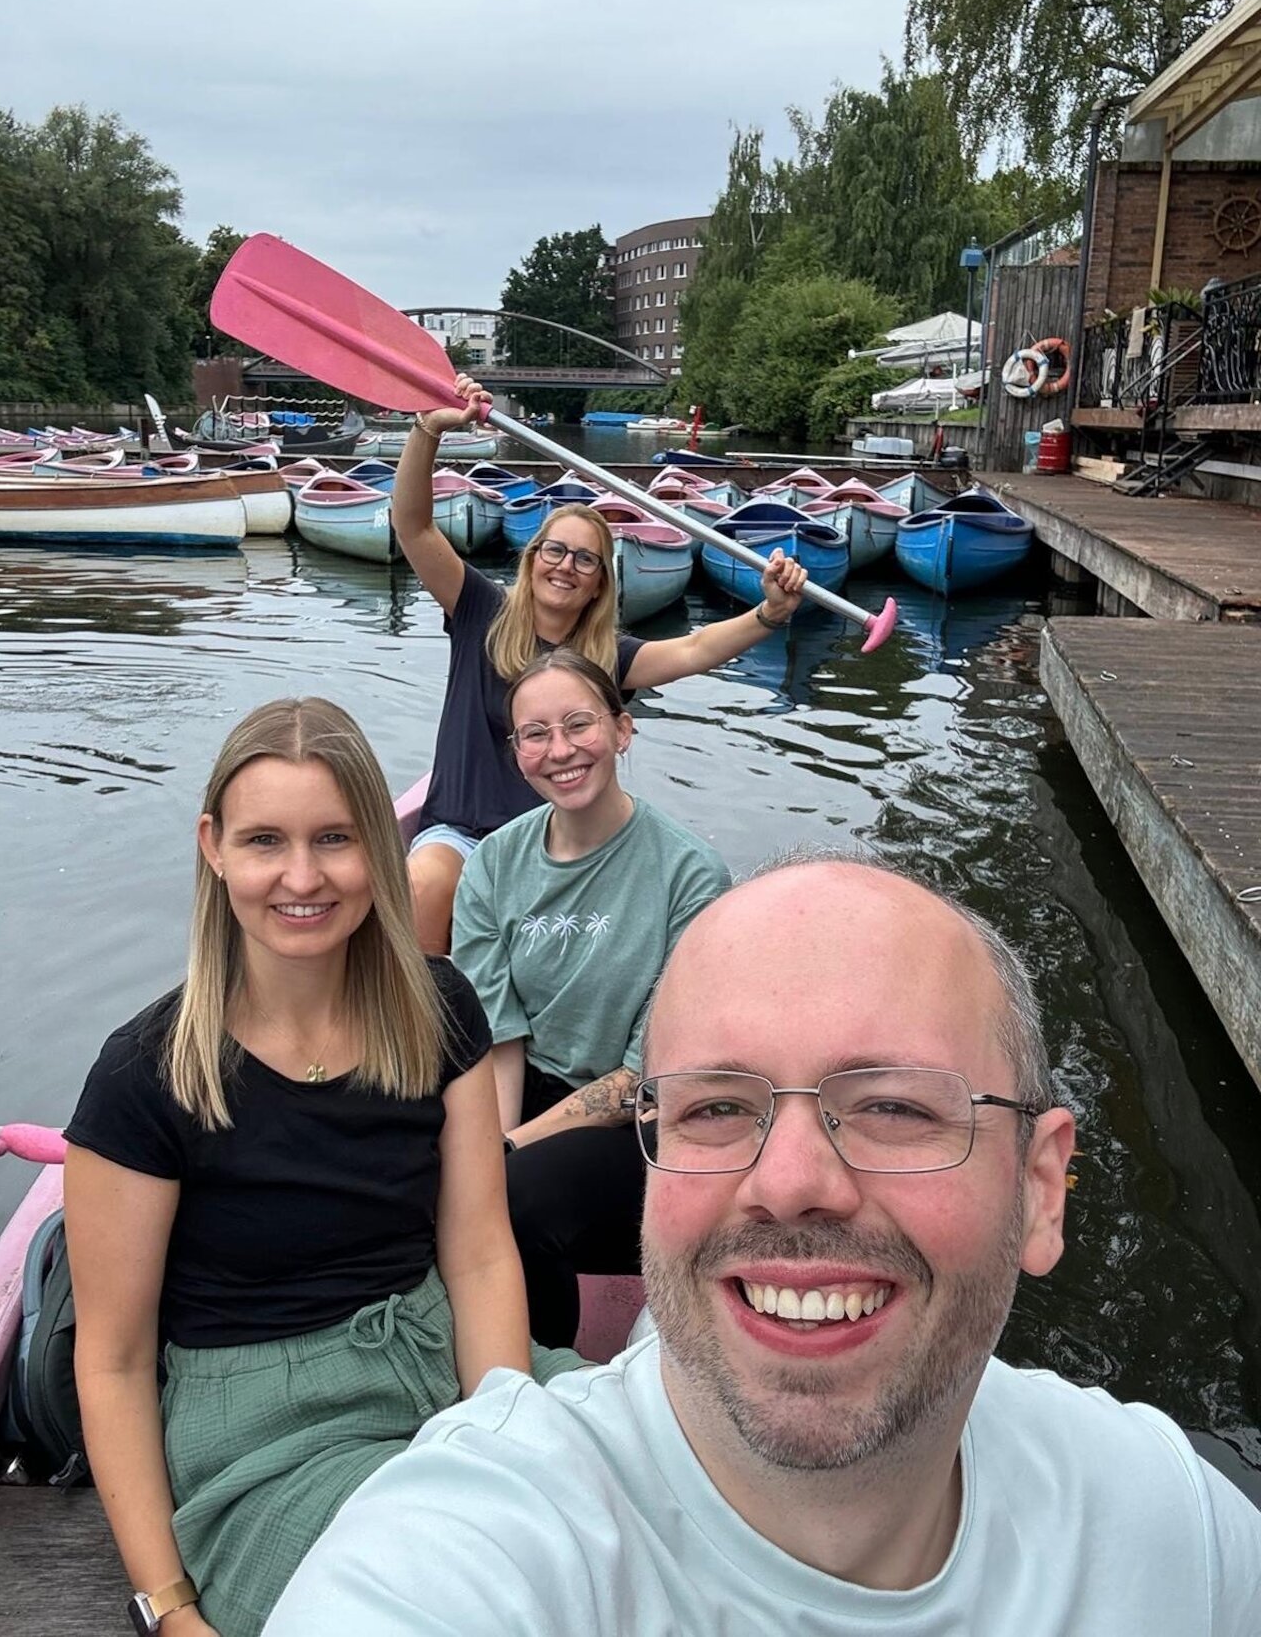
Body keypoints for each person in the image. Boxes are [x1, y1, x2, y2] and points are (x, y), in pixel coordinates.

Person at [265, 857, 1261, 1635]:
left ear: (1040, 1189)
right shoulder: (472, 1549)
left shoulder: (1174, 1525)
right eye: (716, 1107)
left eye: (891, 1105)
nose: (786, 1183)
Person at [63, 699, 575, 1637]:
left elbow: (477, 1257)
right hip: (264, 1432)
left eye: (334, 838)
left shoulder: (439, 1010)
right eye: (266, 841)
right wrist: (169, 1608)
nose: (302, 877)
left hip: (441, 1354)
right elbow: (116, 1361)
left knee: (648, 1488)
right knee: (458, 1596)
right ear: (213, 847)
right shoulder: (145, 1078)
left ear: (378, 846)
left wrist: (503, 1436)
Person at [393, 376, 807, 953]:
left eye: (586, 559)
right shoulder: (478, 609)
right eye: (555, 550)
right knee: (425, 885)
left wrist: (769, 613)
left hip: (555, 849)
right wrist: (427, 429)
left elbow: (693, 649)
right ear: (533, 559)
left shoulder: (606, 658)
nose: (567, 566)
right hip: (461, 833)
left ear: (598, 585)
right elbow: (414, 525)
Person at [450, 646, 730, 1347]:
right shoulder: (493, 864)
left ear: (622, 730)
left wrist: (505, 1153)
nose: (561, 750)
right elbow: (500, 1036)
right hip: (529, 1094)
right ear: (516, 752)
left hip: (643, 1123)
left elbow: (644, 1078)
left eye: (579, 725)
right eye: (536, 734)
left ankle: (536, 1383)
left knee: (513, 1201)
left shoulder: (689, 875)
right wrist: (489, 1137)